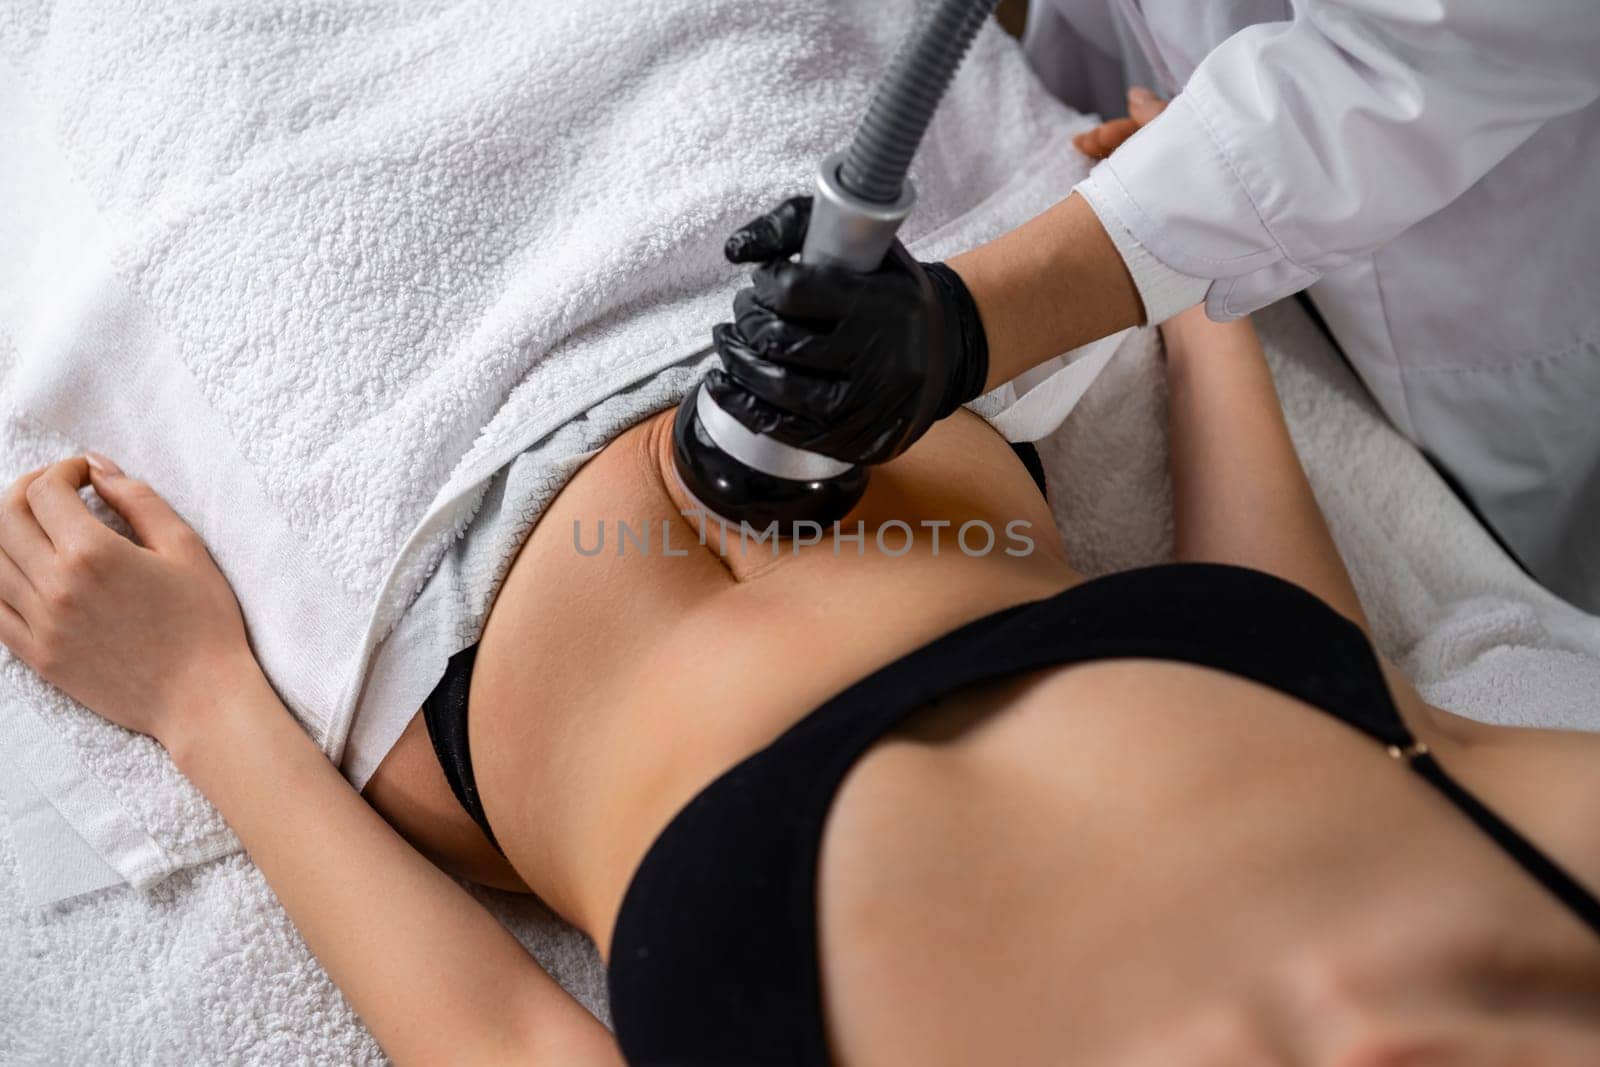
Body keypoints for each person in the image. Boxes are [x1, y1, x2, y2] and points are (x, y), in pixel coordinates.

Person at [3, 108, 1599, 1065]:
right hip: (771, 289)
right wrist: (1204, 307)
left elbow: (508, 1040)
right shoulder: (1563, 864)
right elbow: (1328, 687)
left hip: (409, 569)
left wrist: (195, 697)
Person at [710, 0, 1600, 613]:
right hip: (1128, 128)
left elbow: (1411, 71)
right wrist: (1197, 319)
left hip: (1452, 264)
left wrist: (974, 323)